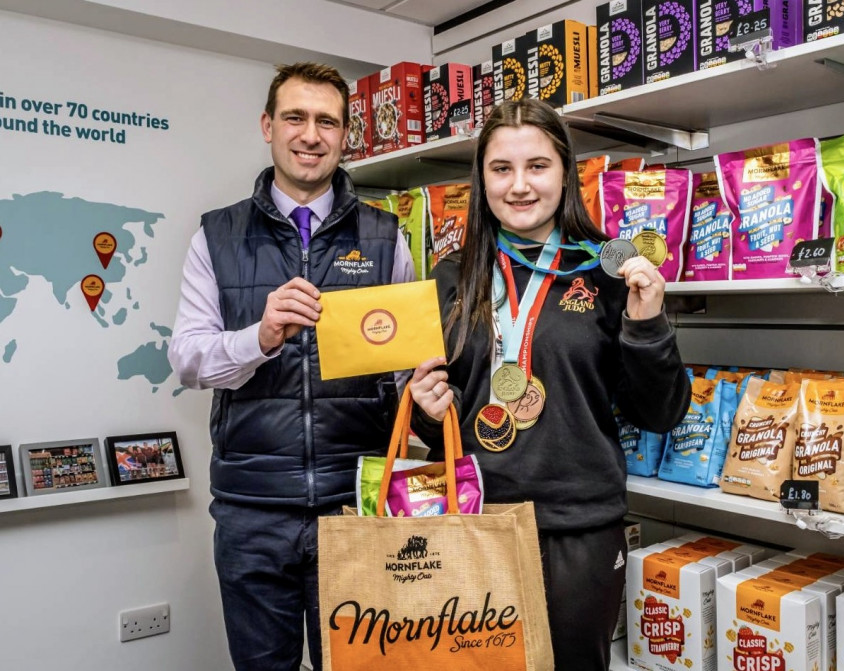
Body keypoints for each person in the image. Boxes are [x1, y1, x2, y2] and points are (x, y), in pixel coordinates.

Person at [408, 98, 691, 670]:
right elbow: (442, 427)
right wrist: (424, 409)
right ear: (481, 178)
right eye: (501, 168)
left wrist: (648, 325)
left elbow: (659, 414)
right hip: (474, 517)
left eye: (537, 166)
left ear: (566, 173)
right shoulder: (448, 279)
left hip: (579, 527)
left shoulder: (611, 274)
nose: (519, 186)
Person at [168, 62, 414, 671]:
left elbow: (408, 367)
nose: (311, 134)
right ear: (268, 126)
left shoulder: (387, 237)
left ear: (345, 135)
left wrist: (429, 386)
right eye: (295, 118)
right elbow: (189, 360)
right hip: (252, 512)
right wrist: (261, 335)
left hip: (356, 506)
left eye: (327, 121)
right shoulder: (216, 236)